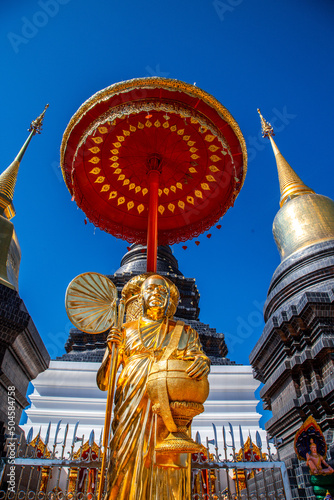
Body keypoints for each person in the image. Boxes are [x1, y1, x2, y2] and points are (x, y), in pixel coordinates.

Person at [97, 274, 210, 500]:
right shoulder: (124, 331)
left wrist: (203, 362)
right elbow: (104, 382)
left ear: (170, 300)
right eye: (151, 290)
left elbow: (198, 360)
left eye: (163, 292)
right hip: (132, 406)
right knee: (124, 463)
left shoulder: (185, 333)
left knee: (170, 472)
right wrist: (112, 352)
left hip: (169, 412)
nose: (156, 294)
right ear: (141, 297)